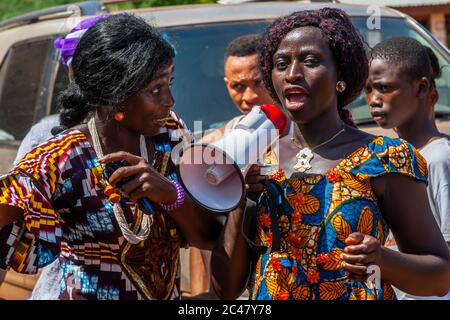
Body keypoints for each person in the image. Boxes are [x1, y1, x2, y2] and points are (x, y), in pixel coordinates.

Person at [210, 8, 450, 300]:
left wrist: (384, 260)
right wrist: (240, 202)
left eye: (310, 61)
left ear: (342, 75)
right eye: (281, 64)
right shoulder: (258, 160)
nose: (293, 74)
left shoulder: (386, 158)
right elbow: (224, 291)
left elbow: (440, 277)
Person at [0, 14, 222, 300]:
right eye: (156, 89)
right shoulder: (62, 158)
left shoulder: (171, 136)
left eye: (170, 82)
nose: (170, 100)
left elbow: (207, 236)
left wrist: (170, 194)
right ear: (116, 94)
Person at [365, 37, 450, 300]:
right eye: (368, 89)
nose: (373, 100)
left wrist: (381, 257)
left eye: (384, 88)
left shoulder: (439, 159)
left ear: (422, 88)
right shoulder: (391, 161)